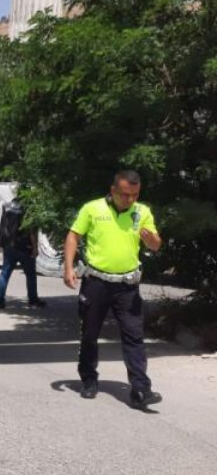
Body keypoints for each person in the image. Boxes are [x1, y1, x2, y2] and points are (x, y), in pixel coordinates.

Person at [63, 170, 163, 409]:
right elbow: (73, 236)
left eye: (135, 195)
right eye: (125, 195)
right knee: (89, 334)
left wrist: (151, 240)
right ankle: (88, 379)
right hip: (96, 283)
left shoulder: (142, 212)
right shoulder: (93, 209)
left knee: (134, 336)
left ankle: (140, 388)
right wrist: (68, 268)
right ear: (113, 190)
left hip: (127, 286)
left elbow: (156, 244)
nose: (130, 200)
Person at [0, 198, 46, 309]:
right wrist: (35, 248)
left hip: (9, 245)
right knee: (31, 275)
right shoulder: (28, 209)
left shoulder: (7, 206)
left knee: (5, 273)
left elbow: (3, 226)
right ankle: (33, 301)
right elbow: (31, 230)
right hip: (24, 246)